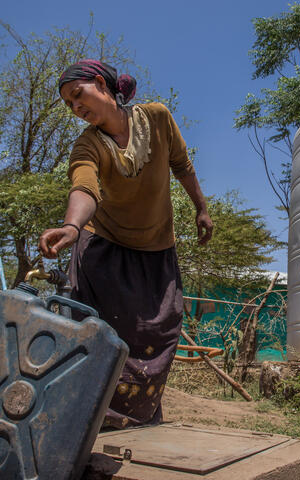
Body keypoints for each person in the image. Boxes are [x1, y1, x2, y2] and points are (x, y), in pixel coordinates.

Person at [38, 59, 213, 429]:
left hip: (156, 250)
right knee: (97, 333)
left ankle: (138, 418)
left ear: (100, 83)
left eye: (77, 95)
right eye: (69, 105)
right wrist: (71, 226)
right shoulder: (87, 145)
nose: (75, 108)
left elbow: (182, 165)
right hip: (103, 251)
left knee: (158, 331)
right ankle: (89, 423)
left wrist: (202, 208)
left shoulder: (157, 118)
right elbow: (84, 186)